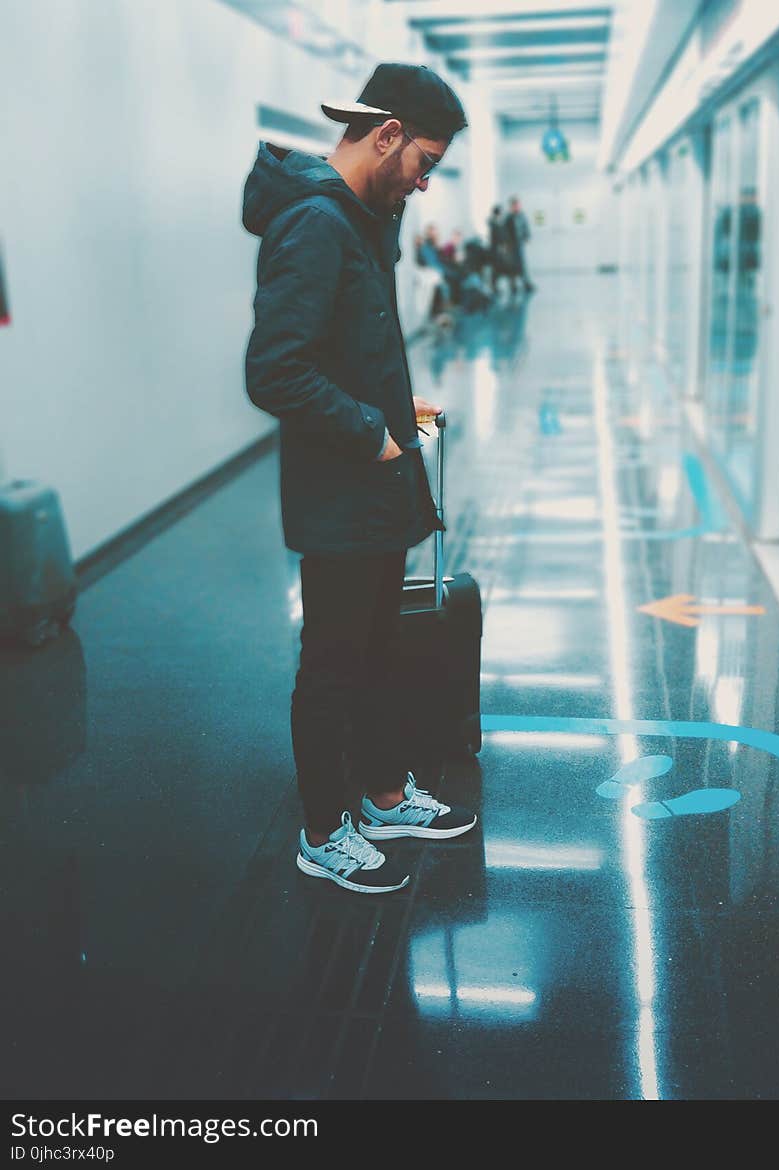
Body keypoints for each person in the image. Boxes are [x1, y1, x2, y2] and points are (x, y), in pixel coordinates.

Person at [242, 63, 477, 895]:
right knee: (334, 663)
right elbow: (274, 371)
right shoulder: (314, 226)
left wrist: (389, 402)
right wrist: (368, 433)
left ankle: (382, 796)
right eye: (425, 164)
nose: (423, 183)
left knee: (379, 649)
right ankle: (319, 830)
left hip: (372, 490)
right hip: (340, 494)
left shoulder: (357, 219)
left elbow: (340, 345)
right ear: (387, 136)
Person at [504, 196, 535, 294]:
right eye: (516, 205)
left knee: (522, 264)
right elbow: (505, 232)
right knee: (512, 266)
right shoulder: (508, 218)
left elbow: (525, 227)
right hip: (511, 246)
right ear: (512, 206)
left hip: (519, 244)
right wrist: (506, 244)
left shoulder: (522, 216)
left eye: (518, 205)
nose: (518, 207)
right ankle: (513, 286)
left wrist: (527, 237)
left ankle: (526, 284)